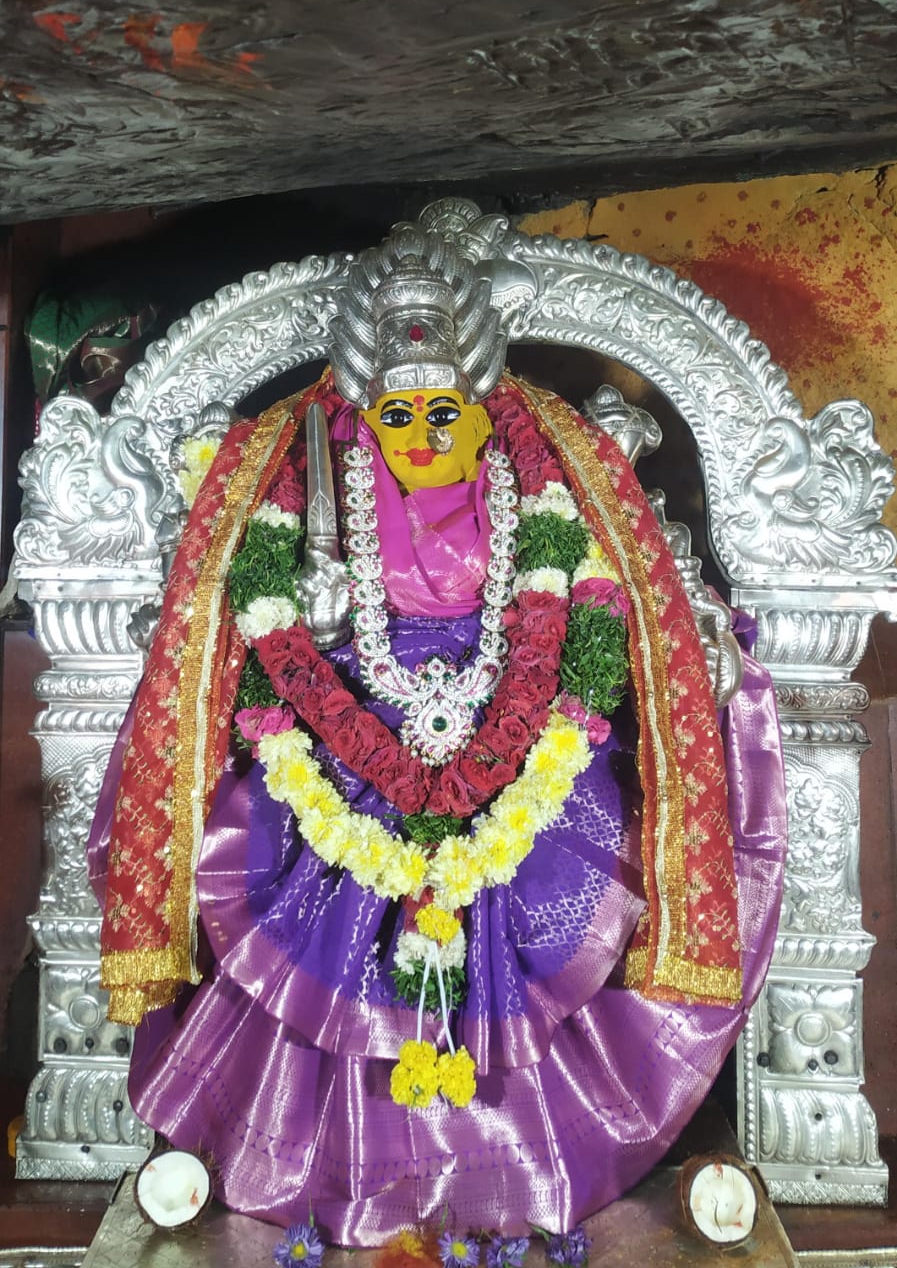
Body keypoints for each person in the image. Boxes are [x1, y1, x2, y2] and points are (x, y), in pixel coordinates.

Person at [88, 207, 786, 1245]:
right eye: (398, 414)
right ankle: (335, 1168)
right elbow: (230, 620)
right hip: (339, 730)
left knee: (557, 878)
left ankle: (507, 1173)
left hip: (523, 731)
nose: (420, 436)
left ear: (481, 400)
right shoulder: (309, 468)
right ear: (364, 403)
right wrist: (314, 617)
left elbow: (617, 595)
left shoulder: (547, 466)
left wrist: (626, 657)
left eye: (443, 413)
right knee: (305, 898)